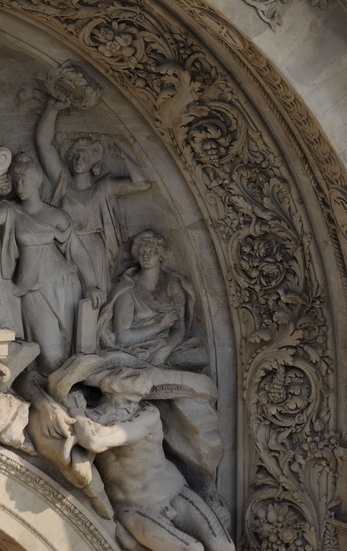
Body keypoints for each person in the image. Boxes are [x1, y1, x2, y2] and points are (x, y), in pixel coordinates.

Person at [71, 366, 234, 551]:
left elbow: (97, 440)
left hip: (174, 492)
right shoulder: (91, 417)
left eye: (138, 399)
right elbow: (93, 442)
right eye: (128, 399)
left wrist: (75, 412)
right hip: (136, 509)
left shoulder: (146, 415)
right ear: (109, 393)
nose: (133, 405)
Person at [34, 94, 152, 297]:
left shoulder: (103, 188)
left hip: (93, 249)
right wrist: (52, 109)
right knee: (62, 298)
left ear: (94, 161)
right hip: (64, 247)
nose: (79, 159)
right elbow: (43, 142)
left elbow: (141, 183)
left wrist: (123, 156)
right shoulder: (63, 182)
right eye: (76, 155)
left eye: (85, 156)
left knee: (92, 301)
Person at [0, 154, 102, 373]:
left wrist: (92, 284)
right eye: (15, 181)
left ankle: (62, 396)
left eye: (24, 180)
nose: (19, 185)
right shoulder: (10, 210)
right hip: (30, 288)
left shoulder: (56, 216)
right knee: (50, 353)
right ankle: (46, 395)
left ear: (37, 181)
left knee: (65, 350)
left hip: (63, 284)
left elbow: (78, 253)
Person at [99, 229, 204, 367]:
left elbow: (179, 328)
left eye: (152, 252)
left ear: (161, 255)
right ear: (136, 255)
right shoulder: (127, 288)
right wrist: (159, 326)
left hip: (166, 347)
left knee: (201, 356)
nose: (146, 256)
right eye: (142, 252)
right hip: (136, 349)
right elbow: (122, 338)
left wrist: (166, 350)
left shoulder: (173, 285)